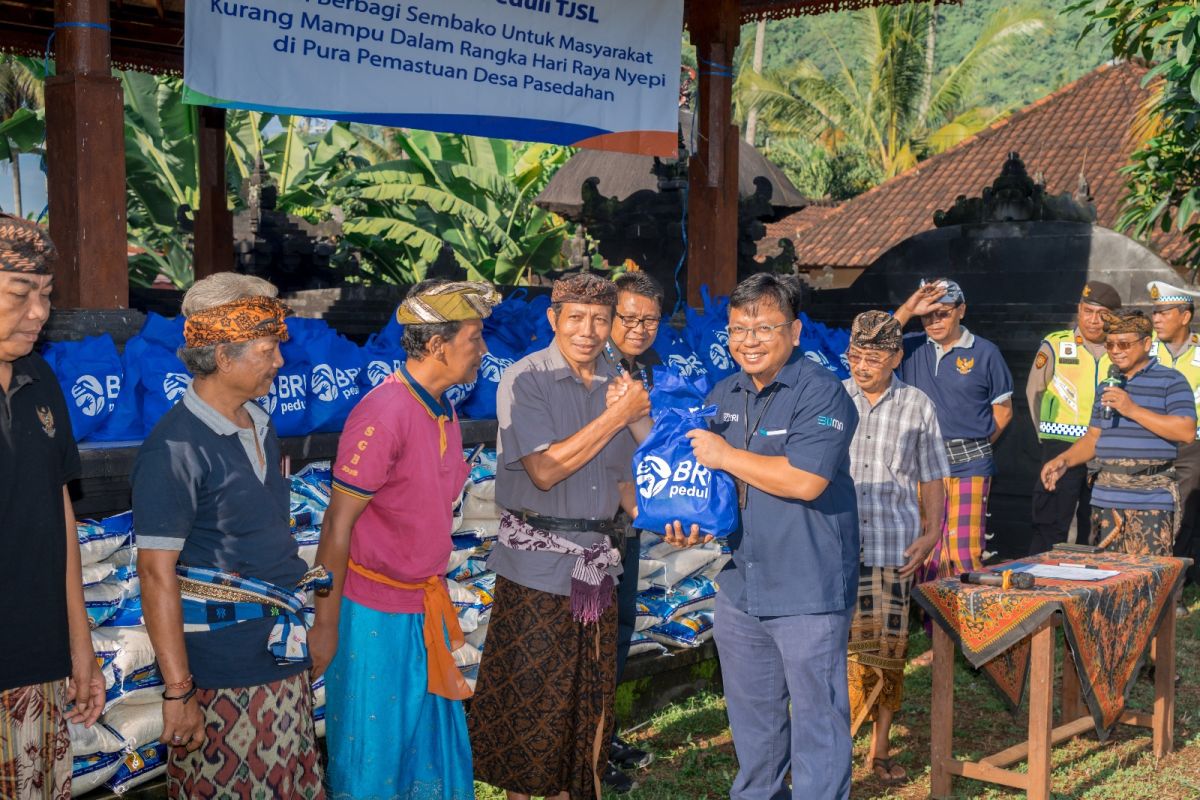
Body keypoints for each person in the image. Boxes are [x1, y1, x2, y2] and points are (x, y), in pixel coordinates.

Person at [133, 273, 327, 799]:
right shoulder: (173, 449)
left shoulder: (261, 424)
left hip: (280, 655)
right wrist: (180, 691)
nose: (280, 362)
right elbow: (155, 574)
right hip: (221, 672)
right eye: (267, 351)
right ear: (223, 356)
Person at [310, 279, 498, 800]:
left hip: (424, 607)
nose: (483, 350)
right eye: (474, 338)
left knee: (426, 750)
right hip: (373, 613)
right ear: (437, 345)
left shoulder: (444, 409)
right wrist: (326, 624)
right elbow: (336, 524)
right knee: (375, 756)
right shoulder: (384, 412)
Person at [470, 273, 649, 800]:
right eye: (576, 317)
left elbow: (628, 482)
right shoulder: (525, 380)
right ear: (554, 319)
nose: (588, 331)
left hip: (597, 569)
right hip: (537, 571)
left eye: (600, 319)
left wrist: (677, 517)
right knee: (532, 709)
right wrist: (618, 415)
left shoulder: (619, 381)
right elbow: (545, 470)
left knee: (586, 706)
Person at [682, 273, 859, 800]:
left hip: (807, 588)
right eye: (738, 329)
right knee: (754, 727)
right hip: (741, 588)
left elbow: (806, 481)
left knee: (817, 725)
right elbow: (707, 483)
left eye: (763, 328)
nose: (749, 341)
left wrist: (725, 456)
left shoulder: (821, 391)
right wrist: (690, 516)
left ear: (795, 330)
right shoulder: (724, 392)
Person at [0, 214, 103, 799]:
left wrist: (80, 642)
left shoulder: (41, 378)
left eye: (45, 295)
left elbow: (59, 508)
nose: (39, 312)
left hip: (38, 654)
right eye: (21, 293)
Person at [842, 311, 949, 785]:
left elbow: (932, 476)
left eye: (874, 357)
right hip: (834, 546)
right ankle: (833, 747)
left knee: (887, 651)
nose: (862, 366)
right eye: (855, 355)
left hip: (892, 546)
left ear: (897, 358)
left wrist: (930, 534)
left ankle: (880, 749)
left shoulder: (917, 405)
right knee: (835, 652)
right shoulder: (831, 397)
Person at [1040, 309, 1196, 555]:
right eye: (1109, 344)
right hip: (1106, 499)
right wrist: (1064, 460)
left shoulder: (1172, 380)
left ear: (1146, 343)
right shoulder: (1107, 385)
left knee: (1148, 582)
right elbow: (1094, 437)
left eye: (1124, 344)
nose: (1115, 351)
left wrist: (1131, 409)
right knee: (1107, 579)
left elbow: (1186, 430)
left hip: (1150, 501)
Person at [894, 279, 1014, 577]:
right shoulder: (909, 347)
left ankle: (961, 623)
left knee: (963, 552)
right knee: (922, 549)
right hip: (919, 466)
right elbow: (871, 340)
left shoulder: (986, 352)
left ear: (962, 311)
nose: (934, 321)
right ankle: (926, 622)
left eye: (943, 313)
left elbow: (1003, 411)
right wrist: (910, 308)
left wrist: (974, 445)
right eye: (928, 315)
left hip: (969, 465)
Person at [602, 271, 663, 790]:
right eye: (629, 317)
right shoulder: (591, 370)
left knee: (619, 633)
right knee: (593, 640)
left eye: (650, 319)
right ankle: (589, 751)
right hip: (592, 529)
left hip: (630, 525)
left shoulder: (641, 370)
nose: (640, 327)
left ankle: (605, 734)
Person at [1025, 281, 1122, 554]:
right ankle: (1039, 577)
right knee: (1051, 521)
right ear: (1079, 309)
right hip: (1061, 446)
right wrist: (1045, 438)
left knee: (1097, 527)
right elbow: (1034, 391)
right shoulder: (1056, 345)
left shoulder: (1121, 351)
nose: (1093, 320)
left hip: (1105, 449)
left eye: (1102, 314)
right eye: (1087, 311)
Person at [1147, 280, 1200, 588]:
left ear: (1185, 315)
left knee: (1185, 518)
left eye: (1164, 312)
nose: (1156, 319)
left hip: (1192, 447)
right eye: (1154, 312)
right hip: (1150, 443)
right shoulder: (1144, 351)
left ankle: (1175, 588)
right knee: (1151, 515)